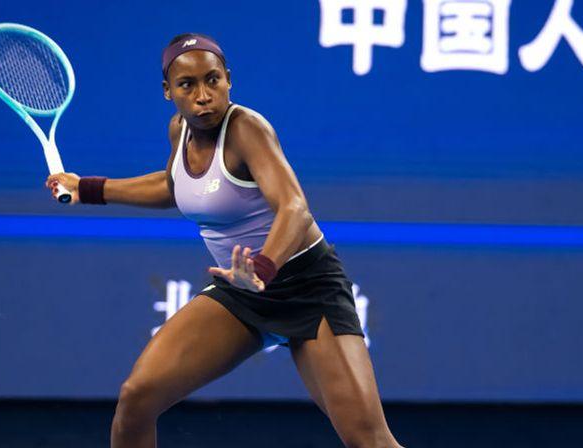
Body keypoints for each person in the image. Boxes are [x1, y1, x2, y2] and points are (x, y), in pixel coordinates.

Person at [45, 33, 403, 448]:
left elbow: (294, 207)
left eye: (212, 81)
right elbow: (174, 185)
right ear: (168, 92)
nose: (203, 96)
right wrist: (88, 188)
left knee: (370, 441)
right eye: (187, 85)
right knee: (137, 397)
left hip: (308, 289)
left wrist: (263, 267)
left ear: (228, 80)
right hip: (241, 293)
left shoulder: (247, 129)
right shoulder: (179, 130)